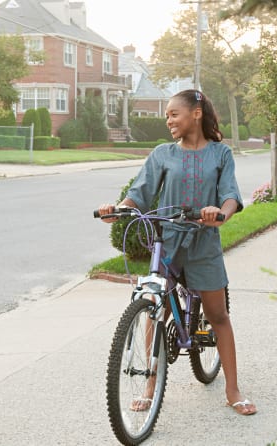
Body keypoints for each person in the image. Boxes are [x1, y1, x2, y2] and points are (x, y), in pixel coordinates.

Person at [97, 89, 256, 416]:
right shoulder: (162, 154)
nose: (168, 120)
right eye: (167, 114)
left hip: (203, 242)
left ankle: (233, 389)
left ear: (195, 113)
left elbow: (230, 194)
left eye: (174, 114)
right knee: (155, 308)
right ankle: (151, 387)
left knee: (218, 316)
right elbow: (139, 193)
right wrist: (120, 209)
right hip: (166, 243)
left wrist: (220, 213)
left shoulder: (220, 154)